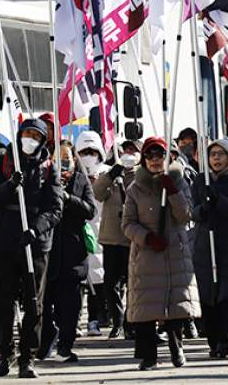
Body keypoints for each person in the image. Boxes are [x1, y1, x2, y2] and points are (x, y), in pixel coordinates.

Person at [0, 118, 63, 379]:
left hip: (34, 244)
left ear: (42, 140)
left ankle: (27, 357)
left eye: (36, 136)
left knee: (33, 303)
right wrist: (9, 186)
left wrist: (35, 229)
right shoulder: (5, 161)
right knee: (4, 300)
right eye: (26, 134)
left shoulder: (48, 166)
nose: (30, 139)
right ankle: (4, 354)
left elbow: (55, 209)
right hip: (5, 240)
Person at [122, 137, 200, 370]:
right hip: (147, 254)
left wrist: (173, 192)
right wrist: (146, 237)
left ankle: (177, 348)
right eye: (150, 156)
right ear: (144, 160)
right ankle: (149, 356)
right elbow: (127, 224)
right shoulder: (134, 189)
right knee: (146, 307)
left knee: (175, 306)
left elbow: (186, 215)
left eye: (160, 156)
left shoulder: (179, 181)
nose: (155, 161)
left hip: (174, 252)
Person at [191, 138, 228, 359]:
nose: (216, 158)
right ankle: (211, 339)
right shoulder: (200, 180)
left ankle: (224, 340)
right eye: (213, 154)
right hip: (206, 245)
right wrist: (202, 210)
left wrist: (218, 200)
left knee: (227, 296)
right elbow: (192, 209)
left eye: (221, 154)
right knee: (208, 295)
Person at [38, 138, 96, 363]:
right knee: (45, 303)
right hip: (48, 252)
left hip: (73, 254)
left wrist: (69, 199)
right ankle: (46, 341)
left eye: (67, 158)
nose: (62, 163)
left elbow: (90, 209)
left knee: (70, 307)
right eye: (57, 158)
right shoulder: (44, 180)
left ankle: (65, 345)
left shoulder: (81, 181)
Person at [93, 140, 139, 339]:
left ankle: (131, 322)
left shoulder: (141, 176)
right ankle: (117, 320)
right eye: (125, 150)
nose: (129, 153)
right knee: (110, 283)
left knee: (132, 282)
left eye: (133, 150)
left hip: (133, 238)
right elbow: (97, 193)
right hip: (111, 237)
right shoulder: (110, 174)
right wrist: (112, 175)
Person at [76, 133, 109, 337]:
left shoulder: (107, 174)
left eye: (92, 152)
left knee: (98, 281)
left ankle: (94, 320)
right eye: (84, 152)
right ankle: (75, 321)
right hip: (79, 233)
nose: (88, 156)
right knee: (77, 282)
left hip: (102, 234)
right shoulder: (73, 175)